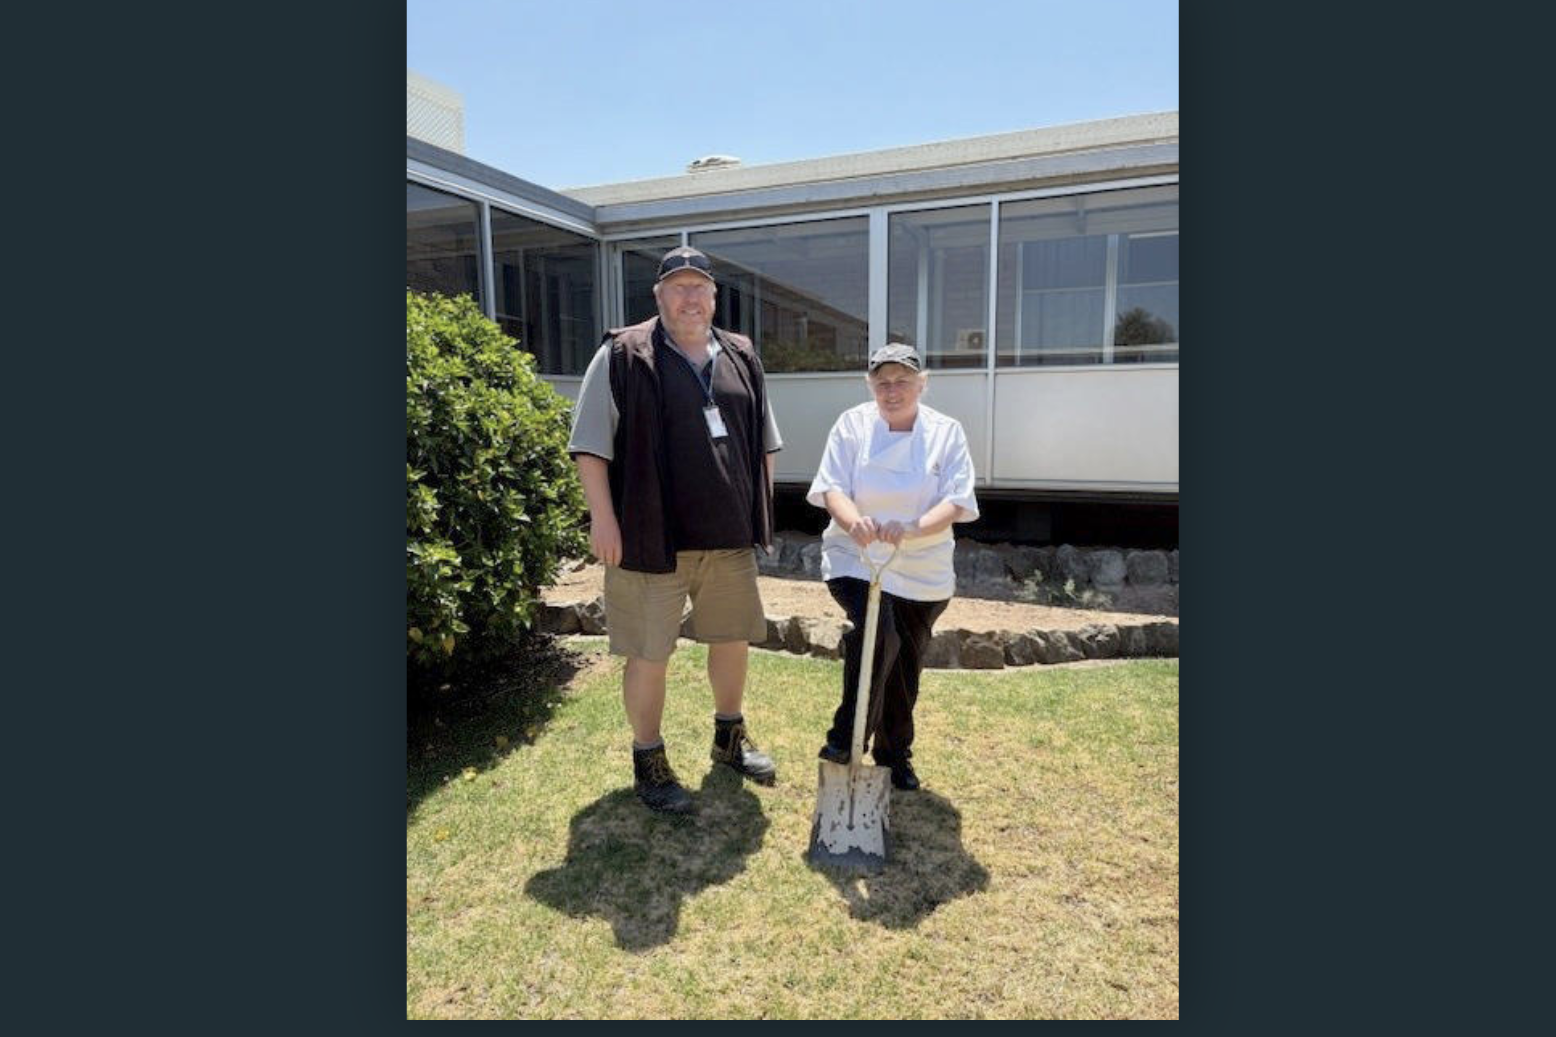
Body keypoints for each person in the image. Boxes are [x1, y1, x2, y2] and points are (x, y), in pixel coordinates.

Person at [567, 245, 783, 815]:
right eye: (678, 288)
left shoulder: (740, 355)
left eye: (700, 288)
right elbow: (590, 444)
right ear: (659, 295)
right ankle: (649, 757)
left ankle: (729, 736)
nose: (690, 298)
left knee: (732, 638)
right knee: (648, 652)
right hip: (648, 537)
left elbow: (763, 441)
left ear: (714, 297)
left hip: (726, 536)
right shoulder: (622, 354)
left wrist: (755, 509)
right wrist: (603, 519)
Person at [805, 343, 979, 791]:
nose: (892, 389)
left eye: (902, 380)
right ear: (870, 386)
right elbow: (831, 488)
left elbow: (957, 501)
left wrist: (912, 528)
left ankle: (894, 753)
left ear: (922, 384)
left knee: (904, 666)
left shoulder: (946, 432)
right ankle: (845, 740)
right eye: (882, 381)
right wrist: (853, 522)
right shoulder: (852, 425)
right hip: (855, 556)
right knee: (880, 634)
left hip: (925, 565)